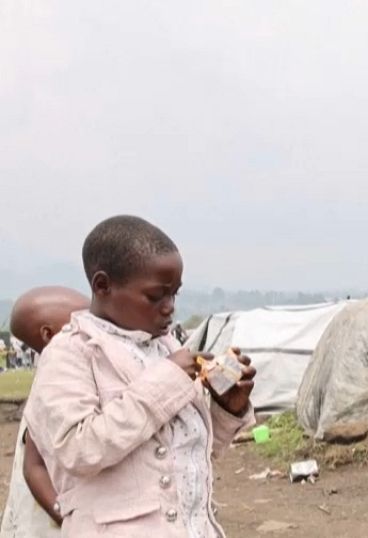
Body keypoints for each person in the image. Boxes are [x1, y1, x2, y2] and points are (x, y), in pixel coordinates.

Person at [24, 215, 257, 537]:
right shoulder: (69, 354)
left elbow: (185, 455)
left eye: (174, 294)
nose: (169, 307)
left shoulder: (165, 348)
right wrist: (168, 380)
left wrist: (227, 409)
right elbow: (79, 451)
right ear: (102, 285)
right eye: (155, 296)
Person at [0, 286, 89, 537]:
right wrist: (69, 519)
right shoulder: (53, 391)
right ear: (49, 335)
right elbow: (34, 469)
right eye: (81, 324)